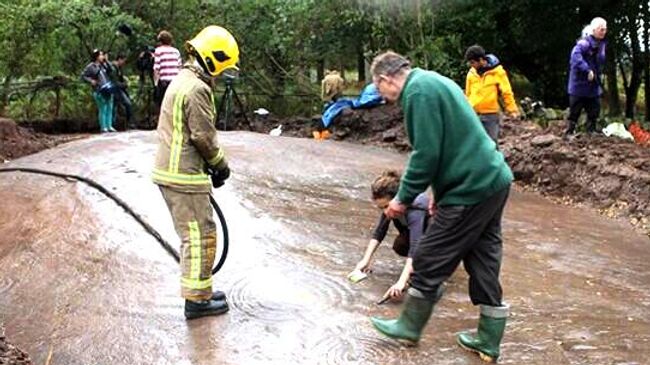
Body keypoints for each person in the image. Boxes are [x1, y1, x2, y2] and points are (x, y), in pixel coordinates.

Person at [368, 51, 513, 364]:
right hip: (493, 179)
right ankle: (489, 339)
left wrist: (402, 198)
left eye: (379, 90)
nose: (383, 97)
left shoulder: (416, 93)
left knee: (429, 255)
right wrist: (437, 190)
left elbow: (426, 154)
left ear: (385, 79)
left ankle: (409, 326)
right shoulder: (432, 81)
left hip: (469, 188)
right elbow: (452, 141)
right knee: (483, 257)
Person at [152, 25, 239, 320]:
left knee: (196, 234)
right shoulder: (198, 88)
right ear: (213, 59)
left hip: (177, 172)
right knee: (200, 236)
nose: (221, 74)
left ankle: (200, 291)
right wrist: (220, 165)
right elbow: (204, 136)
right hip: (183, 176)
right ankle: (197, 301)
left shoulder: (183, 79)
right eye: (222, 67)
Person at [353, 170, 430, 300]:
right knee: (400, 245)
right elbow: (379, 232)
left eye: (387, 206)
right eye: (381, 208)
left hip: (436, 237)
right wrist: (365, 260)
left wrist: (401, 282)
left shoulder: (415, 209)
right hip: (415, 235)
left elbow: (415, 246)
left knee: (420, 268)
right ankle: (415, 268)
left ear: (397, 199)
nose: (385, 211)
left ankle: (427, 267)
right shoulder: (391, 208)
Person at [464, 45, 518, 142]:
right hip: (474, 113)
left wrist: (512, 110)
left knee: (491, 142)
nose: (471, 65)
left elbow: (506, 92)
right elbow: (468, 93)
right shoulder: (471, 74)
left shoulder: (497, 72)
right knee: (475, 143)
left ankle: (495, 158)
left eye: (472, 62)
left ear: (480, 60)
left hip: (490, 114)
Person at [565, 17, 607, 138]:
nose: (603, 31)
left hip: (593, 85)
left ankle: (591, 130)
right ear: (593, 30)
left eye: (605, 29)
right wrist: (587, 69)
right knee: (575, 109)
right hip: (579, 84)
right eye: (601, 29)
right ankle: (569, 132)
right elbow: (575, 58)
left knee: (594, 108)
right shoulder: (583, 44)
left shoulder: (602, 45)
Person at [81, 49, 115, 133]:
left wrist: (107, 61)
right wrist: (91, 81)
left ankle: (109, 125)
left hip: (108, 88)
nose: (102, 56)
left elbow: (112, 70)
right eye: (101, 55)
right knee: (103, 107)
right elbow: (83, 76)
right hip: (99, 89)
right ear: (96, 57)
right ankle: (103, 127)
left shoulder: (104, 65)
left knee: (110, 107)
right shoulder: (91, 66)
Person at [153, 30, 183, 107]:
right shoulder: (176, 51)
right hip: (176, 82)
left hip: (164, 82)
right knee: (174, 105)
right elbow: (180, 68)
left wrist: (156, 84)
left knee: (164, 105)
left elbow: (156, 69)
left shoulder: (158, 51)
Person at [108, 54, 135, 129]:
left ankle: (114, 124)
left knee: (114, 107)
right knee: (126, 104)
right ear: (119, 59)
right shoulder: (113, 68)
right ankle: (127, 122)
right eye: (123, 61)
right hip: (116, 89)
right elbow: (114, 81)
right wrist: (125, 85)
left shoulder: (119, 68)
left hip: (119, 89)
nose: (124, 63)